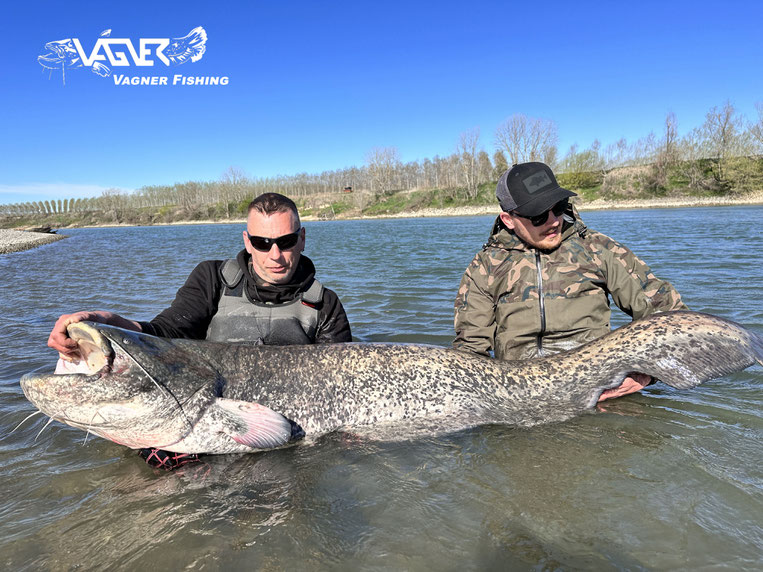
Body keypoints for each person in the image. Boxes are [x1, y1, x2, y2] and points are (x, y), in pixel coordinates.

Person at [48, 192, 352, 467]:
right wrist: (103, 320)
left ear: (301, 238)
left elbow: (342, 386)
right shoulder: (212, 278)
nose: (275, 255)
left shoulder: (325, 305)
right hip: (204, 426)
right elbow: (163, 332)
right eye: (262, 243)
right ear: (247, 241)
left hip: (284, 442)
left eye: (285, 241)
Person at [453, 162, 687, 401]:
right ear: (509, 219)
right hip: (520, 397)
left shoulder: (598, 249)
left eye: (559, 208)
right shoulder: (485, 266)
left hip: (601, 394)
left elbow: (673, 318)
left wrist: (646, 374)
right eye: (538, 215)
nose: (554, 221)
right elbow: (470, 352)